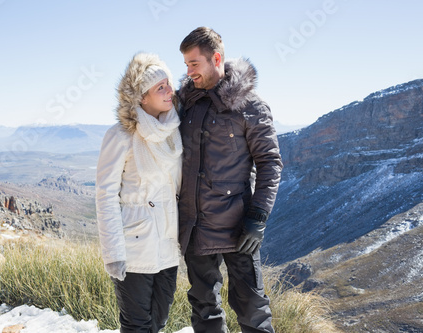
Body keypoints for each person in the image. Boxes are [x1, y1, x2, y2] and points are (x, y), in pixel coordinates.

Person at [177, 27, 283, 333]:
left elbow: (270, 163)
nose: (188, 72)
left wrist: (258, 218)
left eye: (194, 64)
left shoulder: (251, 107)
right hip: (193, 227)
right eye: (186, 65)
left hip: (239, 229)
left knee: (252, 311)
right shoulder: (188, 104)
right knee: (203, 310)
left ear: (217, 58)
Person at [96, 53, 182, 332]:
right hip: (134, 246)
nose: (170, 90)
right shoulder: (120, 135)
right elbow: (105, 195)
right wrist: (113, 253)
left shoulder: (174, 130)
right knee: (136, 325)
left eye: (168, 84)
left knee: (159, 321)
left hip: (168, 243)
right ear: (142, 97)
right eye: (161, 87)